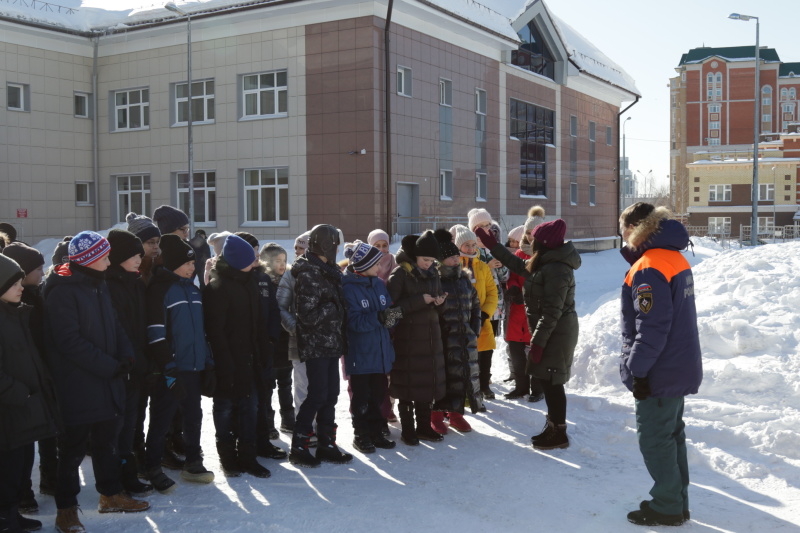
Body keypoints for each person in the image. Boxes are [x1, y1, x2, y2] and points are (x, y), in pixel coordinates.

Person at [43, 231, 150, 533]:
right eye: (104, 255)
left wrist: (126, 355)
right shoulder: (63, 290)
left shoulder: (98, 284)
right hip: (78, 385)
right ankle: (66, 509)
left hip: (107, 381)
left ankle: (110, 494)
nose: (108, 259)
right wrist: (109, 366)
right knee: (73, 450)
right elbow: (69, 342)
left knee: (107, 444)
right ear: (89, 259)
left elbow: (115, 325)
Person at [618, 203, 702, 527]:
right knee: (672, 434)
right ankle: (677, 501)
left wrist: (638, 371)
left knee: (655, 438)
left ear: (637, 228)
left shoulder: (649, 267)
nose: (621, 235)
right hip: (676, 364)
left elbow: (652, 326)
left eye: (623, 228)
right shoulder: (672, 257)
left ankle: (667, 506)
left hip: (658, 371)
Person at [475, 219, 580, 451]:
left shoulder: (558, 269)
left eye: (535, 240)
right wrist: (493, 245)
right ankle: (553, 426)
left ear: (545, 243)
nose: (531, 244)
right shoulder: (545, 261)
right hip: (549, 329)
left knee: (553, 382)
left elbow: (553, 311)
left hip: (556, 331)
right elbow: (517, 264)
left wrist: (538, 343)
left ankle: (559, 432)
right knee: (547, 378)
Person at [144, 234, 216, 493]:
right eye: (187, 263)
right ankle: (151, 466)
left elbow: (201, 332)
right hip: (171, 369)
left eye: (194, 262)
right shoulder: (160, 289)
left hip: (194, 367)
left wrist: (207, 362)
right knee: (162, 419)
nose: (192, 267)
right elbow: (155, 333)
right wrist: (168, 367)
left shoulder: (194, 290)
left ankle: (194, 461)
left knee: (193, 415)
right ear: (174, 263)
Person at [0, 254, 59, 533]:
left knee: (23, 464)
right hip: (9, 409)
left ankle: (12, 513)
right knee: (9, 468)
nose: (21, 286)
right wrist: (19, 392)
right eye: (14, 283)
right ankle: (5, 517)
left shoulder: (16, 313)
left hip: (25, 405)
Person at [205, 235, 272, 478]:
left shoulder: (249, 282)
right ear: (237, 261)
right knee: (224, 409)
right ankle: (227, 458)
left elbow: (258, 323)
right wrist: (225, 364)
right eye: (251, 259)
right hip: (228, 362)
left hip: (250, 359)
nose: (256, 261)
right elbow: (215, 331)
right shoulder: (218, 287)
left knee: (250, 409)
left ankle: (248, 457)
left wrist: (264, 354)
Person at [289, 224, 352, 467]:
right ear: (325, 245)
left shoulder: (328, 270)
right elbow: (306, 315)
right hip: (316, 344)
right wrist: (334, 308)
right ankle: (299, 446)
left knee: (331, 395)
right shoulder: (308, 272)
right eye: (333, 244)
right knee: (316, 395)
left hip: (331, 341)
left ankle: (327, 444)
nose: (336, 248)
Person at [105, 230, 154, 496]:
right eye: (135, 254)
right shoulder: (107, 285)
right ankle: (115, 478)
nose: (140, 258)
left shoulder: (135, 283)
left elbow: (142, 324)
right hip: (119, 367)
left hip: (137, 365)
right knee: (117, 424)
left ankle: (128, 471)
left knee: (132, 421)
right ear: (122, 256)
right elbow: (115, 329)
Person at [387, 231, 447, 446]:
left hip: (431, 340)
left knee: (426, 387)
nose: (428, 264)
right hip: (408, 341)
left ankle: (423, 427)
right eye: (425, 260)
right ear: (415, 256)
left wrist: (440, 304)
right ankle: (408, 430)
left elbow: (438, 309)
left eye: (432, 260)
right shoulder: (400, 275)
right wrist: (418, 301)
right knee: (407, 387)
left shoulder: (434, 273)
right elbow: (388, 314)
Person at [341, 241, 399, 453]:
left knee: (378, 394)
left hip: (380, 352)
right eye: (376, 263)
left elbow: (388, 311)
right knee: (362, 397)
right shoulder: (348, 288)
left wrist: (395, 316)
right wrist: (380, 317)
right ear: (363, 265)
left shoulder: (378, 284)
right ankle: (361, 434)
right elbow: (353, 322)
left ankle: (376, 431)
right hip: (361, 354)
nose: (380, 266)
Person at [431, 229, 484, 432]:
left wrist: (474, 329)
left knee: (460, 378)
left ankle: (455, 414)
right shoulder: (436, 281)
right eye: (451, 257)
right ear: (441, 260)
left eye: (456, 256)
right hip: (443, 339)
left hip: (464, 338)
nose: (456, 260)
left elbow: (476, 305)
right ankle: (436, 415)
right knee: (441, 378)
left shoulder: (464, 280)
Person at [449, 224, 498, 405]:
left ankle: (484, 385)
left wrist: (485, 313)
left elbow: (493, 292)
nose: (470, 248)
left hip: (482, 319)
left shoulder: (483, 267)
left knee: (485, 354)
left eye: (473, 245)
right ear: (459, 246)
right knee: (465, 356)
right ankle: (466, 388)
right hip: (461, 318)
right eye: (466, 245)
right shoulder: (454, 265)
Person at [467, 208, 508, 399]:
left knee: (489, 344)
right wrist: (486, 264)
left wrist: (500, 266)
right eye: (480, 226)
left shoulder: (495, 247)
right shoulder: (469, 249)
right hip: (476, 305)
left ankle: (485, 380)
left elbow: (505, 276)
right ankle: (474, 381)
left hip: (495, 304)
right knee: (475, 344)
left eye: (488, 225)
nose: (485, 230)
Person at [503, 221, 545, 403]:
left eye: (534, 232)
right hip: (517, 311)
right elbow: (511, 278)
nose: (530, 236)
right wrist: (512, 288)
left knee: (535, 353)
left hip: (535, 312)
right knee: (516, 352)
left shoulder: (545, 256)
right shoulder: (519, 255)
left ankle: (537, 389)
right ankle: (521, 387)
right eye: (528, 232)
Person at [259, 243, 296, 438]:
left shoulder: (288, 280)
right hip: (271, 342)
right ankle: (268, 422)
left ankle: (288, 419)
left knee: (286, 383)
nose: (282, 265)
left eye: (284, 260)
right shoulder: (264, 283)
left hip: (286, 342)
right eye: (277, 261)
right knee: (268, 386)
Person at [126, 212, 161, 286]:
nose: (156, 246)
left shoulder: (159, 266)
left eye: (157, 242)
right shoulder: (129, 271)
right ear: (137, 244)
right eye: (151, 242)